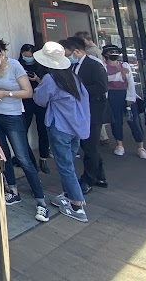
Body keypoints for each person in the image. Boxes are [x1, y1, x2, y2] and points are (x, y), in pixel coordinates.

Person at [0, 38, 49, 222]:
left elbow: (28, 92)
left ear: (1, 54)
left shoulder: (15, 67)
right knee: (3, 156)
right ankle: (13, 190)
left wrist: (6, 93)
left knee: (23, 157)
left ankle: (40, 201)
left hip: (13, 116)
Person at [32, 42, 90, 223]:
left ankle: (77, 205)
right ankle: (68, 195)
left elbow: (40, 99)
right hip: (76, 127)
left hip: (60, 127)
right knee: (69, 163)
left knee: (65, 166)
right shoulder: (73, 77)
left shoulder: (50, 79)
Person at [61, 36, 110, 195]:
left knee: (90, 146)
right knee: (89, 145)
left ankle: (88, 180)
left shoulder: (94, 64)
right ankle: (100, 176)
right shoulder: (72, 66)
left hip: (94, 111)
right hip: (81, 111)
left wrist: (78, 91)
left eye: (67, 54)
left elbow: (101, 87)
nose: (66, 57)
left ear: (76, 51)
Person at [102, 44, 146, 159]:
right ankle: (119, 145)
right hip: (112, 96)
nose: (114, 54)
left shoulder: (125, 65)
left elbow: (130, 82)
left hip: (126, 94)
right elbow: (105, 81)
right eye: (111, 52)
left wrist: (130, 97)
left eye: (115, 52)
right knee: (116, 121)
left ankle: (141, 147)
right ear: (106, 54)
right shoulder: (103, 67)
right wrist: (119, 74)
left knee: (134, 121)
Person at [19, 43, 50, 173]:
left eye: (29, 56)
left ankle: (43, 158)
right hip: (25, 101)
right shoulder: (18, 65)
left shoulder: (42, 66)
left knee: (42, 130)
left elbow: (47, 85)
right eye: (24, 55)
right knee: (22, 130)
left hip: (40, 101)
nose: (27, 58)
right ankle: (25, 158)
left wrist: (36, 78)